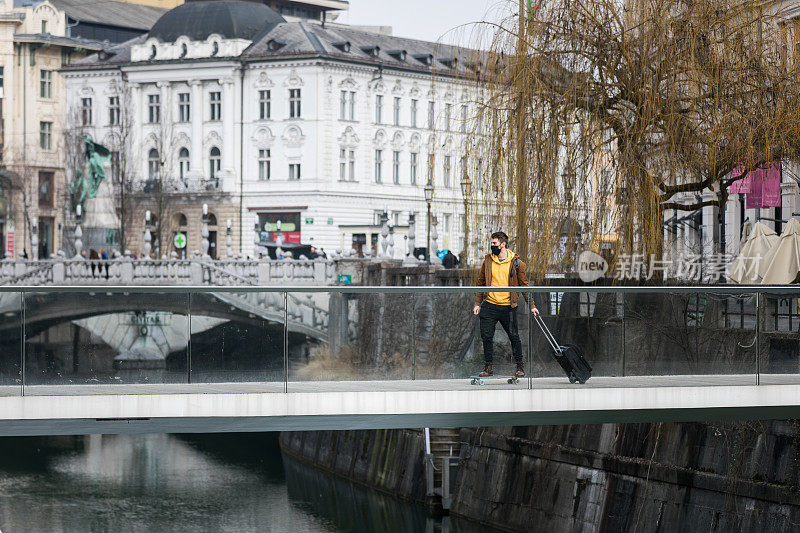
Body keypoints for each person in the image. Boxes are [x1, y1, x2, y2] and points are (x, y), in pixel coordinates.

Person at [472, 231, 539, 378]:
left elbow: (524, 286)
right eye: (491, 243)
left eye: (495, 244)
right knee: (487, 337)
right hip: (489, 304)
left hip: (508, 307)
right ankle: (488, 367)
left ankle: (520, 366)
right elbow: (480, 283)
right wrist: (477, 303)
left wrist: (532, 306)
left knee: (514, 336)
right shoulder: (488, 261)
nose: (492, 246)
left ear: (503, 244)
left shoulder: (517, 263)